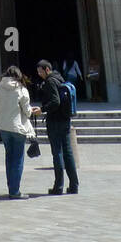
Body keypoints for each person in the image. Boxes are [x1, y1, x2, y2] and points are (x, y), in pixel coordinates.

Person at [0, 65, 39, 199]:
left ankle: (11, 187)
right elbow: (27, 112)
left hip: (3, 128)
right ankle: (15, 191)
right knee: (17, 159)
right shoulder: (21, 89)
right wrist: (32, 110)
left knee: (9, 157)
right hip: (17, 128)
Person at [36, 59, 79, 195]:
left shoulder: (50, 81)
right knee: (67, 152)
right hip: (65, 119)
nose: (39, 74)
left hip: (55, 121)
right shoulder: (59, 78)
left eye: (40, 71)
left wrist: (42, 109)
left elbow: (55, 101)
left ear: (47, 69)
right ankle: (74, 185)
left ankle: (58, 186)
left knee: (57, 153)